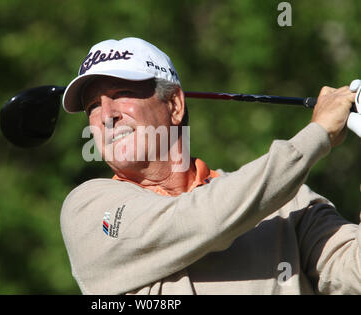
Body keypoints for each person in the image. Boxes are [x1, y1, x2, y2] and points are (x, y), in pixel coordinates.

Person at [60, 37, 360, 294]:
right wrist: (317, 135)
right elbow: (200, 219)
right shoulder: (89, 211)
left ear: (174, 106)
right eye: (93, 106)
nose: (105, 115)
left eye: (120, 94)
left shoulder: (291, 203)